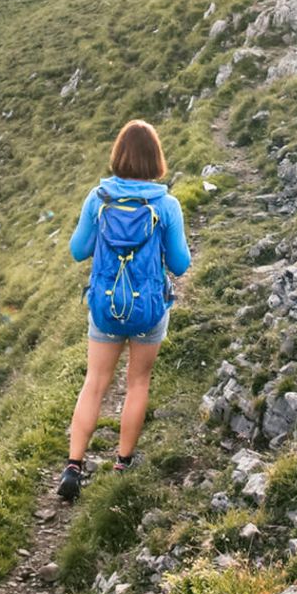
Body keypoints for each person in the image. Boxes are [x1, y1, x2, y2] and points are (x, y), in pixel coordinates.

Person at [57, 118, 192, 501]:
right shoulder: (166, 206)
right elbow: (181, 266)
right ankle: (123, 463)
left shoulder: (98, 199)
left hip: (105, 307)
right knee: (137, 383)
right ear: (156, 161)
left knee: (95, 382)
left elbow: (78, 251)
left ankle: (73, 466)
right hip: (148, 308)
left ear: (119, 155)